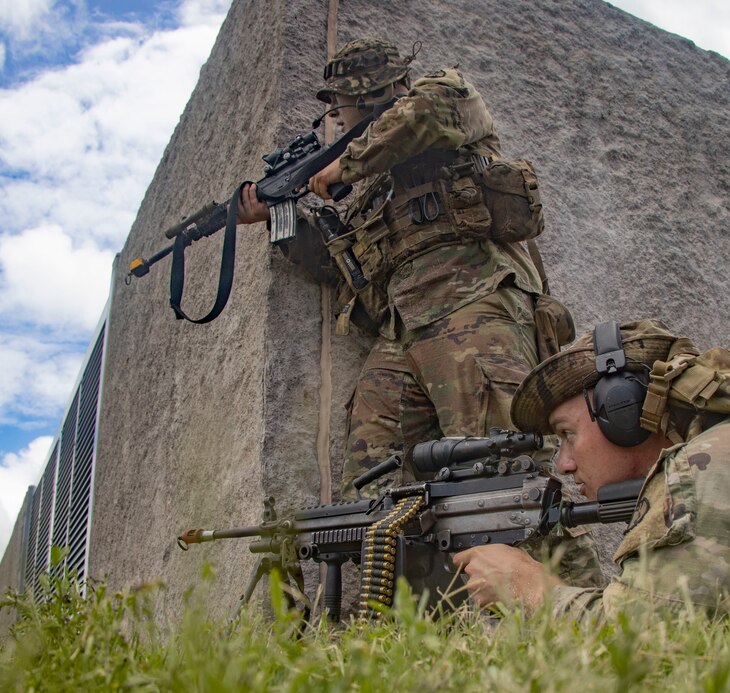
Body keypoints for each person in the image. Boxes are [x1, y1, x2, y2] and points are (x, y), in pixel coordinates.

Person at [237, 38, 574, 500]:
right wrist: (277, 219)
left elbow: (421, 115)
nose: (336, 117)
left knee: (505, 476)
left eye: (340, 105)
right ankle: (397, 572)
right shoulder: (371, 183)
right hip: (399, 333)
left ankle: (546, 571)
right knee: (373, 487)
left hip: (474, 305)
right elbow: (341, 265)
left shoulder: (445, 98)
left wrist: (341, 165)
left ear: (367, 95)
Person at [453, 319, 730, 619]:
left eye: (567, 434)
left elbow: (642, 642)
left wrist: (529, 588)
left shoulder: (716, 462)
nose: (565, 465)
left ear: (624, 411)